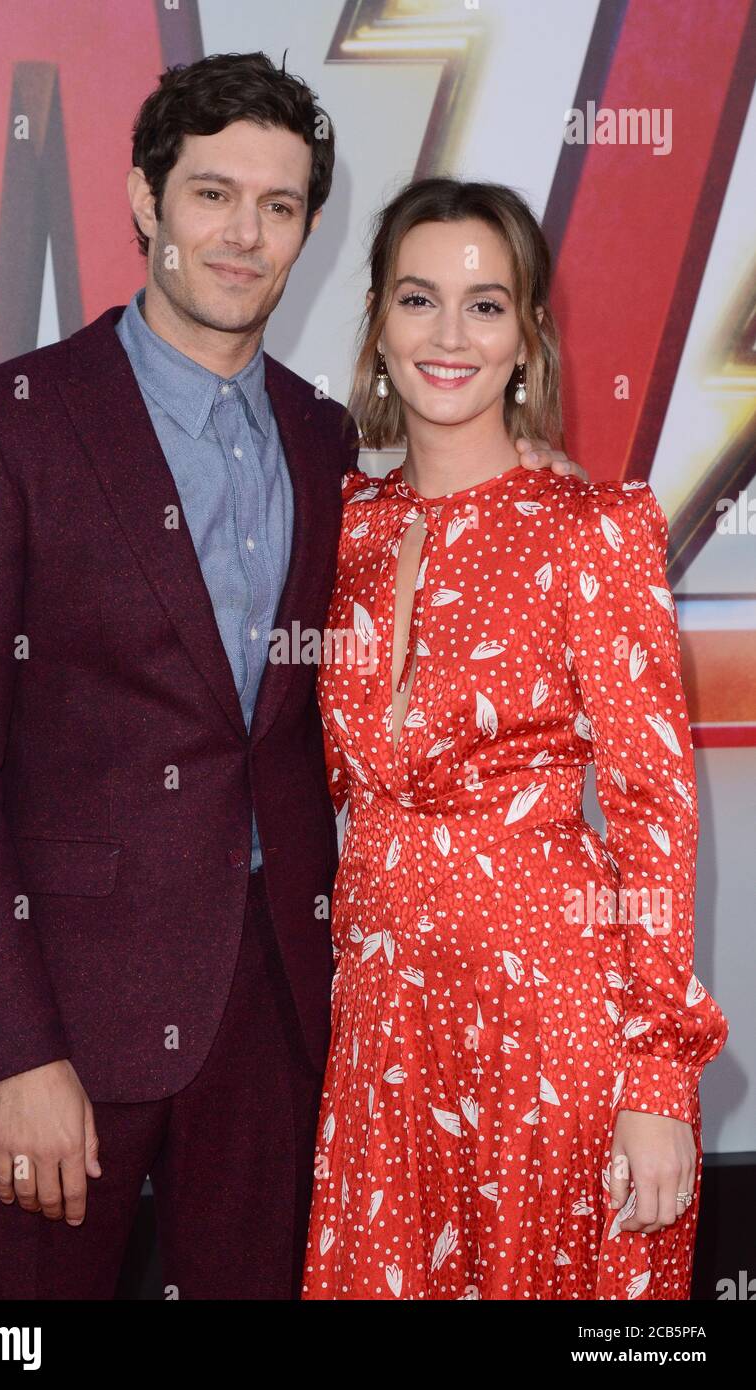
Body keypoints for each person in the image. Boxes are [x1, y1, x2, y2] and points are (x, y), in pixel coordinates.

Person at [0, 55, 582, 1301]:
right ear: (144, 202)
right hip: (68, 1029)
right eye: (212, 194)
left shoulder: (329, 442)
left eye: (277, 205)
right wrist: (14, 1050)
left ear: (309, 229)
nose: (243, 232)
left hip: (283, 1022)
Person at [301, 178, 730, 1300]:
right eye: (417, 299)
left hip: (549, 1033)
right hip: (383, 1038)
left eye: (484, 305)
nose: (449, 335)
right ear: (378, 328)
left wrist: (654, 1080)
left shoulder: (591, 531)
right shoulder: (342, 526)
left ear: (527, 336)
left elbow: (650, 814)